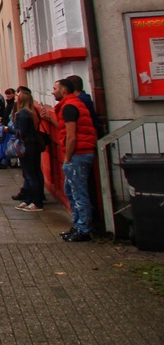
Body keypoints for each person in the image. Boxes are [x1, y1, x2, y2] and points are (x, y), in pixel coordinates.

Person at [53, 77, 98, 242]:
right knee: (72, 192)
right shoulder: (72, 105)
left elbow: (71, 137)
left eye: (55, 88)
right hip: (80, 153)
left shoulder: (69, 107)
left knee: (79, 193)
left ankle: (83, 229)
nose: (52, 91)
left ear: (63, 90)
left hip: (77, 155)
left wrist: (67, 157)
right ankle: (78, 226)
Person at [11, 90, 46, 211]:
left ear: (21, 100)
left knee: (30, 175)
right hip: (34, 145)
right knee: (34, 172)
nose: (15, 97)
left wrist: (7, 129)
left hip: (27, 146)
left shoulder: (22, 114)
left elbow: (21, 132)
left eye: (17, 96)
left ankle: (36, 202)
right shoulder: (31, 112)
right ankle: (31, 200)